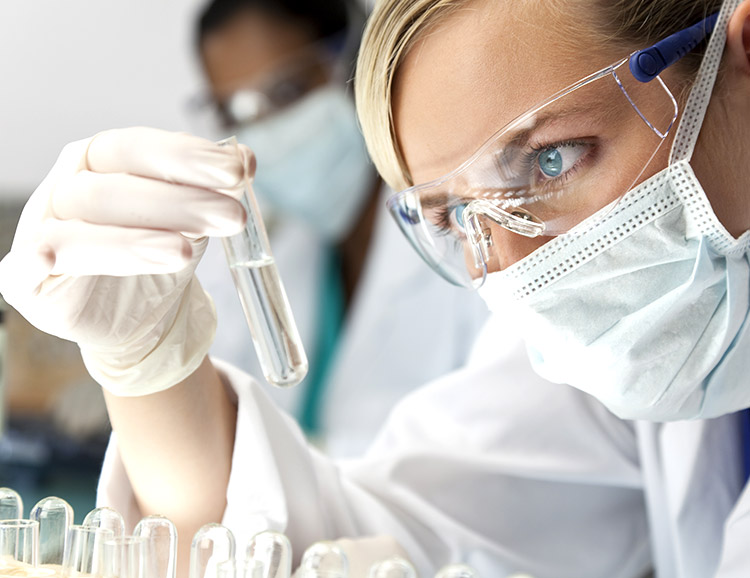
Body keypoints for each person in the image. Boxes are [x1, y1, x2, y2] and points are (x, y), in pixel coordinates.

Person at [0, 0, 749, 577]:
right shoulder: (633, 342)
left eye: (552, 162)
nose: (517, 265)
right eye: (456, 215)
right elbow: (370, 545)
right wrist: (148, 367)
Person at [190, 0, 489, 455]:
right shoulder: (279, 248)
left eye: (288, 91)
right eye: (236, 113)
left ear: (356, 64)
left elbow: (493, 448)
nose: (268, 132)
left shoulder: (470, 232)